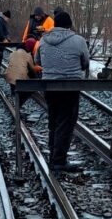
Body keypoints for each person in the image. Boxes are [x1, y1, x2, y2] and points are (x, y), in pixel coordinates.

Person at [35, 11, 89, 173]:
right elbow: (85, 63)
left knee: (54, 120)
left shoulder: (43, 40)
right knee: (66, 123)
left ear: (55, 24)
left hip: (49, 86)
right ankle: (59, 161)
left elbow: (37, 61)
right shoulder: (78, 40)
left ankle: (54, 156)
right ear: (69, 25)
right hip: (70, 87)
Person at [5, 37, 38, 108]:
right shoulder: (28, 55)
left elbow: (9, 62)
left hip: (9, 78)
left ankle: (13, 91)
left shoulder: (12, 53)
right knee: (27, 73)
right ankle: (19, 98)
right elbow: (32, 69)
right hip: (21, 81)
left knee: (13, 71)